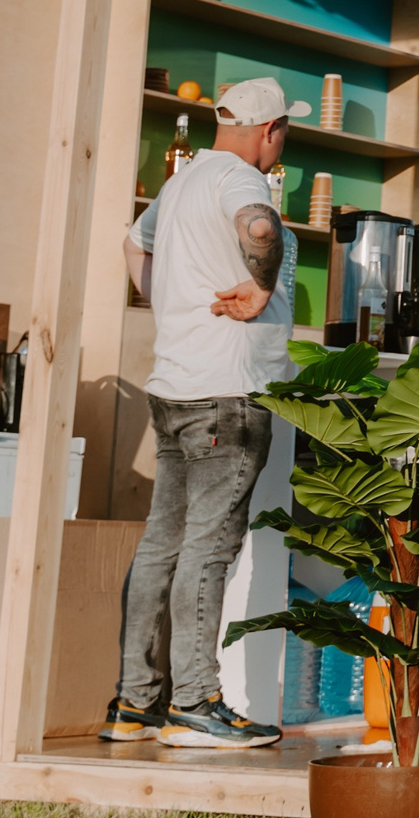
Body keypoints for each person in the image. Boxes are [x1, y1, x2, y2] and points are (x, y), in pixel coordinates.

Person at [102, 77, 306, 749]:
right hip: (228, 392)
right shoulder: (238, 183)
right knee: (209, 546)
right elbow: (258, 225)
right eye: (284, 132)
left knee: (164, 540)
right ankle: (194, 700)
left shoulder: (184, 181)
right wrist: (262, 285)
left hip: (175, 386)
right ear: (270, 130)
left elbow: (135, 244)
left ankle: (135, 703)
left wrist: (172, 305)